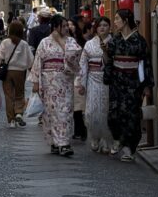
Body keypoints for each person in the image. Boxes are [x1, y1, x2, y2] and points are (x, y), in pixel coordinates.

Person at [104, 7, 153, 162]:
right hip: (117, 81)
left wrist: (146, 85)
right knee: (113, 114)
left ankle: (129, 149)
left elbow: (145, 64)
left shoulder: (139, 41)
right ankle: (117, 139)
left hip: (133, 82)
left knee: (131, 115)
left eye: (118, 19)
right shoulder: (115, 40)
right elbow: (109, 61)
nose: (115, 22)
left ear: (125, 21)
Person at [31, 13, 81, 157]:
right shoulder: (44, 42)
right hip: (48, 82)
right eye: (63, 26)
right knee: (51, 113)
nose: (66, 28)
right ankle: (54, 141)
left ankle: (64, 143)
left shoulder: (70, 41)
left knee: (65, 112)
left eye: (67, 26)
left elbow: (74, 56)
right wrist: (35, 81)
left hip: (65, 81)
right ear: (55, 27)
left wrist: (60, 40)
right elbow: (38, 62)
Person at [78, 16, 113, 153]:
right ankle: (94, 137)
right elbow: (83, 64)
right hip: (93, 78)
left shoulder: (114, 42)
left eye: (105, 25)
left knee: (106, 111)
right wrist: (81, 83)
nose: (103, 27)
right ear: (96, 28)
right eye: (100, 25)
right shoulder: (89, 44)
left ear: (109, 27)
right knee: (92, 111)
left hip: (108, 80)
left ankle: (106, 140)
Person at [0, 19, 34, 128]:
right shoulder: (24, 44)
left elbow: (0, 58)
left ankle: (11, 120)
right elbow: (30, 60)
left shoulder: (5, 42)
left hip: (7, 72)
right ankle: (18, 113)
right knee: (19, 93)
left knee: (9, 95)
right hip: (20, 72)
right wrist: (32, 71)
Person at [68, 18, 88, 142]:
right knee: (72, 104)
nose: (70, 27)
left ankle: (81, 129)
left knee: (79, 104)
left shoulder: (82, 42)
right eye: (67, 25)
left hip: (79, 74)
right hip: (68, 75)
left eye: (72, 24)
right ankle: (77, 129)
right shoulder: (64, 41)